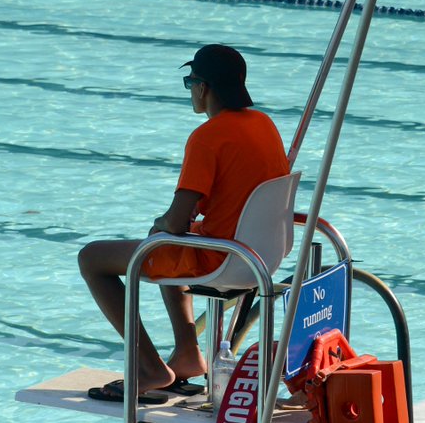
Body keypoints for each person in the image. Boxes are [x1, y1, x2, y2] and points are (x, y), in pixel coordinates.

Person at [78, 44, 289, 403]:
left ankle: (149, 367)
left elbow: (176, 220)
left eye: (190, 82)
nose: (191, 90)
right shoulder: (264, 125)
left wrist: (160, 223)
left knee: (94, 258)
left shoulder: (207, 137)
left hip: (221, 259)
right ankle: (188, 354)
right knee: (169, 242)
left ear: (203, 88)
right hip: (264, 255)